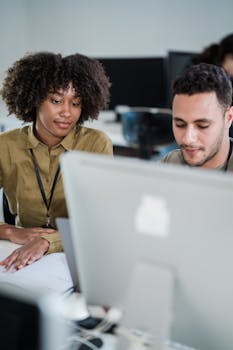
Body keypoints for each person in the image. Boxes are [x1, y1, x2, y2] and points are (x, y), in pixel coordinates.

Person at [0, 51, 113, 271]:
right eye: (56, 100)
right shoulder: (5, 145)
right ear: (34, 99)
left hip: (77, 252)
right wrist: (11, 231)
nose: (67, 113)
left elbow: (101, 220)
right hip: (20, 254)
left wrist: (47, 242)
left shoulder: (96, 144)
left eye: (76, 103)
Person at [162, 63, 233, 171]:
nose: (188, 139)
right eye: (180, 125)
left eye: (202, 126)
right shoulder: (170, 162)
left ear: (229, 118)